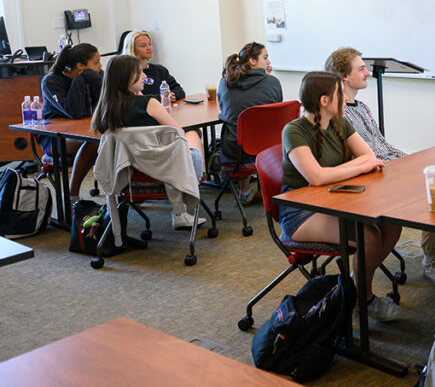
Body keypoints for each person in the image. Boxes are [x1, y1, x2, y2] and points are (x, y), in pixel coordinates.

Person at [325, 46, 435, 286]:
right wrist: (404, 167)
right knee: (432, 188)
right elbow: (366, 157)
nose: (367, 73)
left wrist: (411, 159)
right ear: (344, 76)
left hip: (388, 167)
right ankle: (432, 258)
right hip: (374, 178)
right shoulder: (338, 115)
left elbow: (383, 146)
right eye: (361, 69)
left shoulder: (362, 108)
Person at [279, 71, 401, 322]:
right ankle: (363, 300)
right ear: (324, 100)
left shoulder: (341, 122)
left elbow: (369, 156)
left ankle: (353, 289)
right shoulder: (294, 131)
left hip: (337, 200)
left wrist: (349, 168)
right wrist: (357, 167)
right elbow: (317, 178)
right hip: (301, 213)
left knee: (391, 224)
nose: (346, 100)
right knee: (367, 236)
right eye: (340, 95)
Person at [91, 55, 207, 230]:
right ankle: (184, 204)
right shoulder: (150, 104)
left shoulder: (104, 110)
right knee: (191, 133)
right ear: (127, 78)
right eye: (139, 72)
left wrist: (137, 94)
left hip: (128, 177)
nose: (145, 76)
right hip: (168, 174)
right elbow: (178, 135)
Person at [217, 42, 283, 202]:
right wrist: (267, 79)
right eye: (265, 58)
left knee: (237, 131)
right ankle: (261, 189)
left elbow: (224, 109)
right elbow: (276, 110)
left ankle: (243, 190)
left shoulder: (226, 82)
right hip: (269, 152)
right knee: (253, 132)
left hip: (236, 152)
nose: (268, 62)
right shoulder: (273, 82)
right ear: (252, 61)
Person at [40, 43, 104, 198]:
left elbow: (106, 105)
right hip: (56, 138)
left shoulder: (95, 75)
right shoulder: (51, 82)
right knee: (97, 141)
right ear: (80, 66)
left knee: (116, 139)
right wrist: (80, 80)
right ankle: (72, 193)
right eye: (96, 62)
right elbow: (73, 112)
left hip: (86, 130)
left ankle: (119, 193)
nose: (100, 66)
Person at [120, 30, 186, 102]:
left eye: (150, 44)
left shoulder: (160, 70)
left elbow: (179, 90)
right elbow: (134, 99)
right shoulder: (128, 74)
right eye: (143, 46)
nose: (149, 48)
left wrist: (171, 95)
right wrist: (160, 97)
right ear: (132, 49)